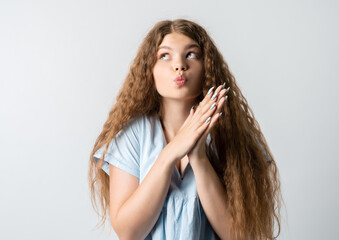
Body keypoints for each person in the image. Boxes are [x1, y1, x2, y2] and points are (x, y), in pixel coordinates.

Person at [89, 19, 282, 240]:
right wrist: (170, 153)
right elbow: (128, 232)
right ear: (148, 71)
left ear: (207, 67)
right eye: (164, 56)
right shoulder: (132, 135)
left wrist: (198, 157)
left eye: (191, 54)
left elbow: (237, 235)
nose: (179, 65)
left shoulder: (233, 134)